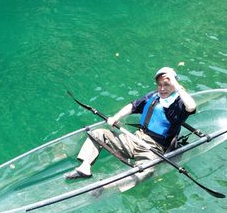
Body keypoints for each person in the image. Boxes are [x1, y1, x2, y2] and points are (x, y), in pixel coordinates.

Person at [65, 66, 197, 182]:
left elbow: (191, 107)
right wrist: (116, 117)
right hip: (136, 138)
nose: (162, 88)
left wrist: (176, 83)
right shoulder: (153, 96)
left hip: (155, 148)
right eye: (159, 84)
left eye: (167, 85)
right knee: (98, 133)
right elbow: (133, 106)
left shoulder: (179, 103)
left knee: (147, 171)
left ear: (174, 85)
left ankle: (107, 187)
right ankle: (85, 168)